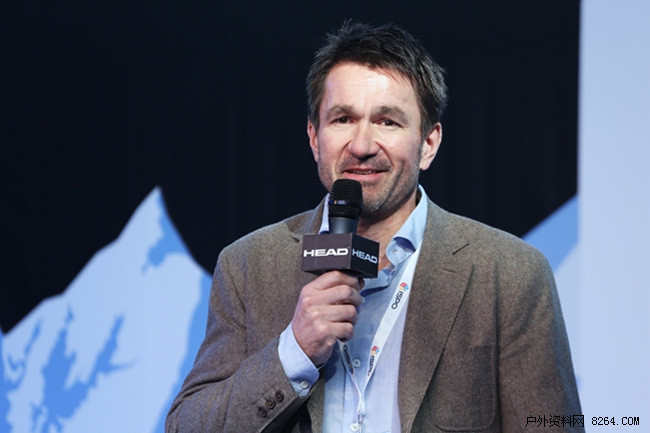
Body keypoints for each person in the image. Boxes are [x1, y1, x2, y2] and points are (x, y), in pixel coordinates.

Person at [165, 22, 582, 433]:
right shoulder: (248, 266)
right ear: (314, 137)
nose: (362, 146)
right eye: (343, 119)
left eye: (387, 121)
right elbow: (186, 427)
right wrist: (294, 351)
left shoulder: (509, 274)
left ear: (429, 143)